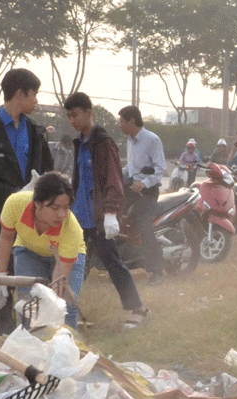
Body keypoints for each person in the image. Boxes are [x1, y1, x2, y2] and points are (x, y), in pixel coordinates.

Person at [0, 68, 53, 337]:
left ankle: (32, 333)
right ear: (20, 94)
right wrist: (18, 193)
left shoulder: (36, 131)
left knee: (31, 273)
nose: (37, 101)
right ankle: (5, 334)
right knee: (1, 273)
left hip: (33, 218)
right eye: (34, 94)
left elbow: (48, 171)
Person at [64, 92, 147, 328]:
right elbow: (78, 181)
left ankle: (138, 309)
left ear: (89, 113)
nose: (72, 120)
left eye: (76, 115)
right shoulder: (79, 142)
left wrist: (110, 213)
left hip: (98, 217)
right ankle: (68, 313)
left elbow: (114, 179)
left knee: (112, 261)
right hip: (79, 216)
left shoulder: (103, 142)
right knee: (75, 263)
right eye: (69, 116)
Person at [0, 172, 85, 327]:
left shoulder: (71, 229)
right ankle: (29, 347)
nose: (62, 214)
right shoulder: (15, 204)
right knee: (29, 306)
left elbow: (59, 279)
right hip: (29, 251)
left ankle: (66, 346)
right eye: (55, 208)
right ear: (37, 203)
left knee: (64, 307)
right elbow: (6, 238)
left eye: (66, 208)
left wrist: (52, 306)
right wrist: (0, 278)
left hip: (64, 258)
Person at [117, 105, 167, 286]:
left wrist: (144, 183)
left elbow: (160, 168)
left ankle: (156, 271)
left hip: (148, 191)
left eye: (122, 121)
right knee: (113, 215)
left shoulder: (152, 139)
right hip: (132, 187)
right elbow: (131, 168)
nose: (120, 125)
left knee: (143, 226)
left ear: (132, 121)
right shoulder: (130, 140)